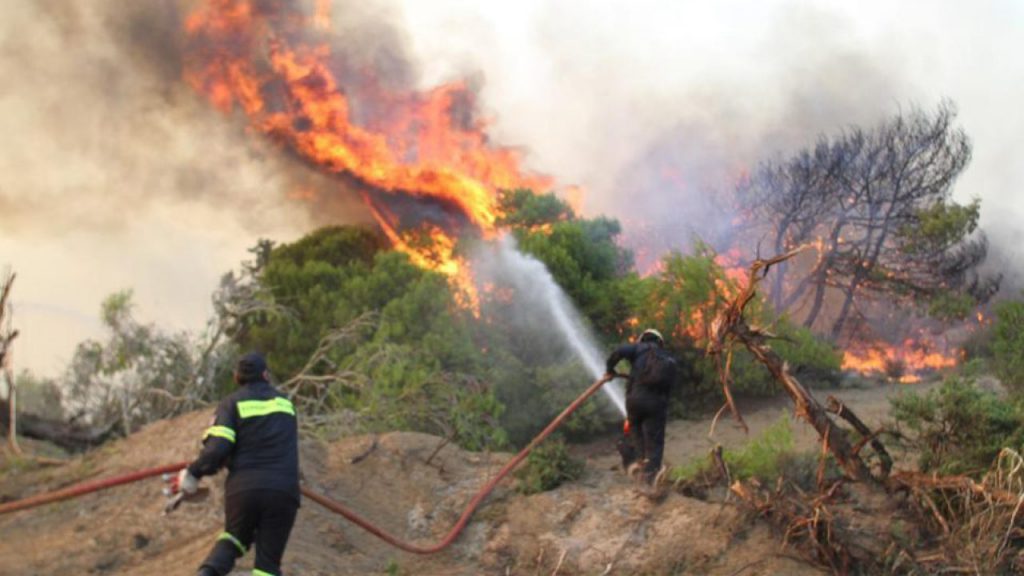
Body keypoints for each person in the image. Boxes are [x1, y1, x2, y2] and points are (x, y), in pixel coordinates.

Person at [177, 352, 300, 576]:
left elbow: (218, 448)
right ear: (265, 375)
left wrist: (193, 473)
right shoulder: (287, 405)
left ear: (237, 377)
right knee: (268, 566)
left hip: (244, 489)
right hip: (283, 490)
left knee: (234, 539)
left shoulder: (231, 404)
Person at [605, 328, 677, 486]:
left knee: (636, 437)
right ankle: (651, 479)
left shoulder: (638, 348)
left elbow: (618, 351)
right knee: (655, 443)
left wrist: (610, 369)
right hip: (656, 405)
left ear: (643, 339)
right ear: (660, 342)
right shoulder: (668, 358)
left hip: (633, 402)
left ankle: (638, 467)